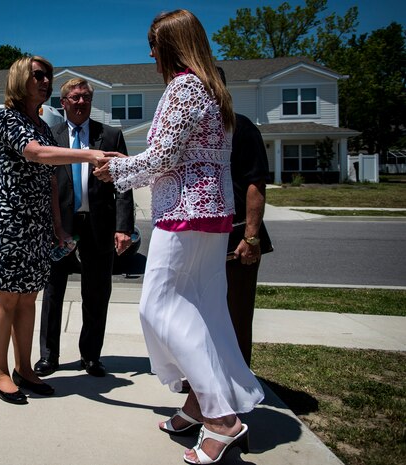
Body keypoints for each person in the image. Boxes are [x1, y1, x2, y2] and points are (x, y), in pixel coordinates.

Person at [94, 10, 264, 464]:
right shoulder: (215, 89)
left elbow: (163, 156)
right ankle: (196, 403)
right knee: (206, 312)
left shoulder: (184, 87)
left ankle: (221, 419)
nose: (150, 54)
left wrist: (116, 170)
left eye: (154, 45)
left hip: (186, 214)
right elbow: (178, 152)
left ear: (170, 46)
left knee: (159, 308)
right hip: (213, 216)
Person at [0, 56, 112, 404]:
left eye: (48, 76)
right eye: (38, 75)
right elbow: (37, 155)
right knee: (6, 298)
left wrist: (57, 227)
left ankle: (24, 369)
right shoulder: (8, 120)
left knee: (28, 300)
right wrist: (90, 155)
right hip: (9, 223)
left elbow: (51, 184)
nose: (46, 81)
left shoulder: (40, 123)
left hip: (39, 226)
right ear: (19, 79)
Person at [35, 78, 135, 378]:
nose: (81, 102)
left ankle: (91, 356)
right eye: (75, 98)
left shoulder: (110, 135)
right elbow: (42, 184)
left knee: (97, 293)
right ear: (63, 102)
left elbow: (124, 184)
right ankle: (48, 357)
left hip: (98, 226)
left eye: (86, 97)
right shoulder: (48, 135)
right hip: (59, 227)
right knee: (53, 292)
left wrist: (123, 227)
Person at [226, 110, 272, 367]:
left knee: (237, 314)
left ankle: (237, 378)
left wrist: (251, 237)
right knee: (207, 314)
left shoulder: (241, 127)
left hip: (239, 237)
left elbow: (257, 182)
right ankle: (207, 376)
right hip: (206, 238)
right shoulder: (197, 129)